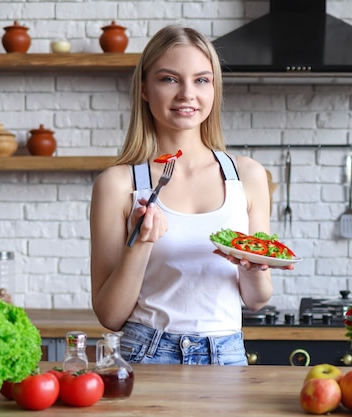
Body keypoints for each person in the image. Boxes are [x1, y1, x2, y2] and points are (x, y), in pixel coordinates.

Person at [89, 25, 291, 366]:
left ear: (214, 89)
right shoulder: (118, 184)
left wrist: (253, 267)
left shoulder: (248, 175)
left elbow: (257, 300)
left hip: (227, 353)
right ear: (144, 90)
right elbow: (110, 315)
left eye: (202, 80)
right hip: (146, 352)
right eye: (169, 79)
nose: (187, 94)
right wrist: (140, 242)